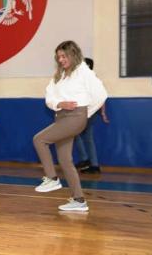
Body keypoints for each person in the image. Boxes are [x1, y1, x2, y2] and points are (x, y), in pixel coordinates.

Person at [32, 41, 107, 212]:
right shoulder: (59, 75)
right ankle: (79, 200)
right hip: (61, 117)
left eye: (64, 56)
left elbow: (101, 94)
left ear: (73, 54)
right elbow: (49, 97)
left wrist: (84, 113)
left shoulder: (83, 71)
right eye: (58, 57)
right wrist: (60, 104)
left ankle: (52, 179)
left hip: (75, 117)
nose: (61, 60)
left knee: (39, 140)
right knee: (65, 160)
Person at [74, 58, 110, 174]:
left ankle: (85, 159)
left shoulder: (83, 79)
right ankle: (94, 165)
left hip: (85, 111)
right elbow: (102, 97)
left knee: (74, 134)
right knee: (88, 138)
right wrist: (103, 113)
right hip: (92, 112)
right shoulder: (95, 79)